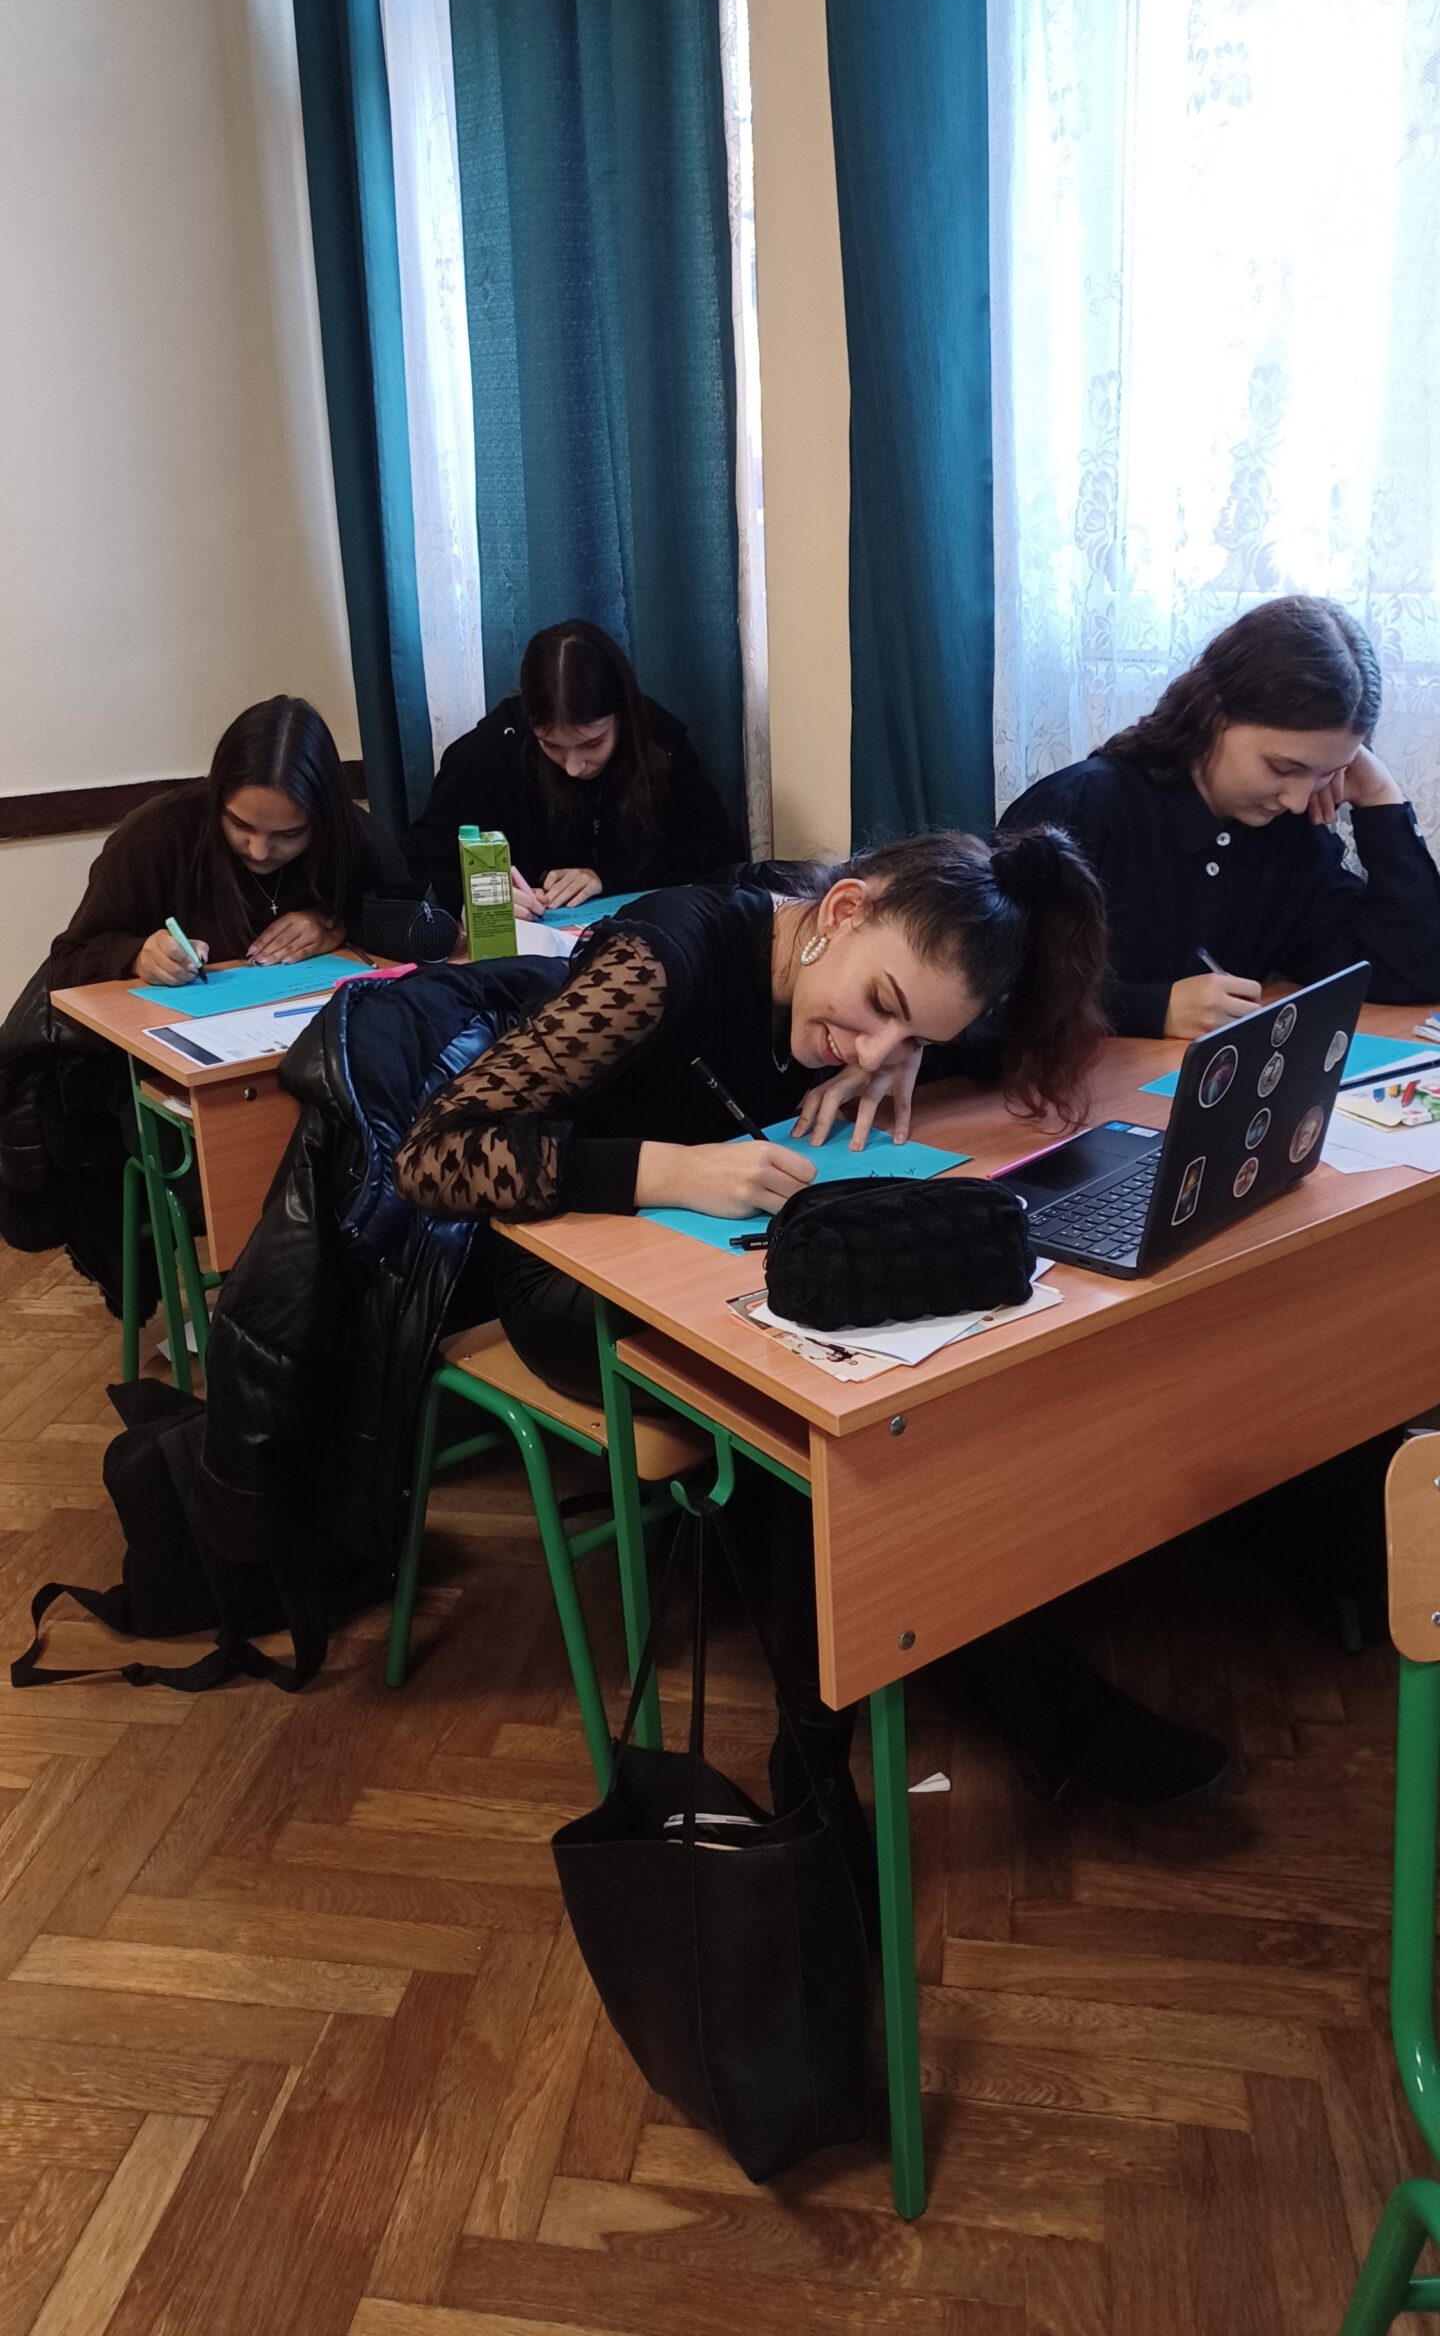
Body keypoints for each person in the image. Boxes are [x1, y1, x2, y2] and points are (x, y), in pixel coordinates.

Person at [393, 834, 1229, 1826]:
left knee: (959, 1346)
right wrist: (668, 1169)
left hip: (738, 1260)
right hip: (570, 1284)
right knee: (819, 1390)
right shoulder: (661, 958)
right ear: (840, 913)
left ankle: (1016, 1675)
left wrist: (914, 1054)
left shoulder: (883, 973)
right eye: (881, 1007)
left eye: (914, 1038)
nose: (873, 1049)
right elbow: (433, 1153)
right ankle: (818, 1773)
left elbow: (981, 1025)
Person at [999, 597, 1440, 1036]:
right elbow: (989, 995)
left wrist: (1381, 798)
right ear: (1212, 714)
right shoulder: (1079, 808)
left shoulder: (1293, 839)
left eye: (1327, 774)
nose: (1298, 800)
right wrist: (1154, 1009)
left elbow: (1409, 971)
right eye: (1283, 768)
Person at [51, 695, 407, 987]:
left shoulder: (355, 837)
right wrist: (136, 956)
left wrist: (338, 926)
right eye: (239, 824)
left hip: (320, 1033)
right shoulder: (157, 836)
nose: (259, 851)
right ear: (217, 797)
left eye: (288, 834)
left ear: (323, 817)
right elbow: (68, 962)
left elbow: (416, 932)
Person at [402, 619, 740, 921]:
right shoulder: (487, 753)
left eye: (593, 743)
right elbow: (417, 866)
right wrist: (476, 898)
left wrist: (608, 877)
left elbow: (716, 849)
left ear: (623, 715)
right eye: (551, 745)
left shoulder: (659, 740)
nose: (573, 768)